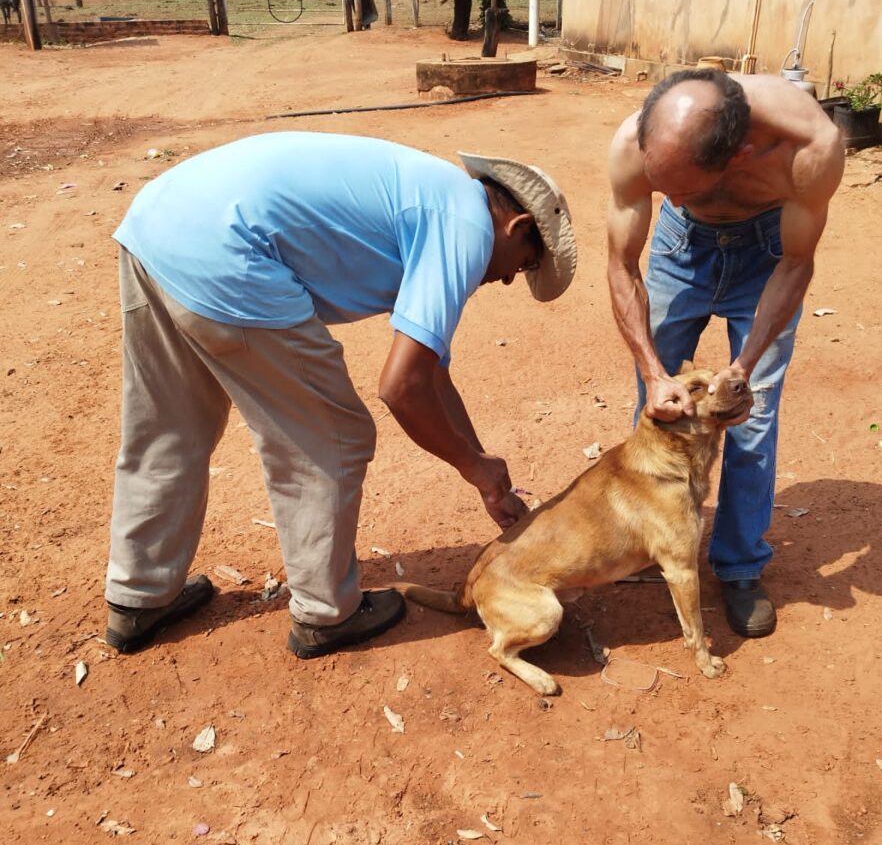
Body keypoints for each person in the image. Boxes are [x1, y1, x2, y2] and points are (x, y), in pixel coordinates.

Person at [105, 132, 576, 658]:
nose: (513, 278)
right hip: (230, 251)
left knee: (171, 426)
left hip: (159, 224)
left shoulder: (437, 196)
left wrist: (484, 470)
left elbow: (432, 375)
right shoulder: (466, 227)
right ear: (518, 226)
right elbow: (401, 389)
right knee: (331, 437)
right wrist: (473, 466)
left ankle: (138, 597)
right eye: (529, 261)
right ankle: (326, 614)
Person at [606, 68, 843, 637]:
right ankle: (649, 541)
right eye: (666, 188)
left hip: (769, 250)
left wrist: (743, 368)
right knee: (660, 409)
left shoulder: (810, 146)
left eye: (683, 187)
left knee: (751, 419)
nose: (674, 196)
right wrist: (653, 369)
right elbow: (621, 264)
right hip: (678, 246)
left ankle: (738, 567)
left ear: (742, 153)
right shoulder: (633, 143)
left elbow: (796, 263)